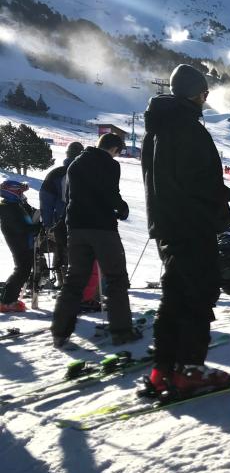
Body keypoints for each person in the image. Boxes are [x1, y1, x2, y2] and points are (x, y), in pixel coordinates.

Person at [141, 64, 230, 394]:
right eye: (205, 94)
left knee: (175, 296)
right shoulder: (189, 129)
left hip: (166, 226)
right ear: (196, 94)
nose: (205, 101)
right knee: (199, 294)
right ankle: (190, 369)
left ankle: (163, 367)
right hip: (193, 224)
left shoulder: (156, 128)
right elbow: (201, 182)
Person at [50, 134, 141, 346]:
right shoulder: (109, 164)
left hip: (76, 228)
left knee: (75, 280)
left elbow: (70, 196)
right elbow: (110, 194)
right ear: (114, 149)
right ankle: (121, 331)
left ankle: (60, 331)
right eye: (118, 151)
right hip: (102, 229)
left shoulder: (76, 164)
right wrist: (122, 207)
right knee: (116, 278)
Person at [39, 141, 84, 287]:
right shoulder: (88, 172)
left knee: (62, 250)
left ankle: (63, 283)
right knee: (84, 253)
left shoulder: (55, 174)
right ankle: (87, 285)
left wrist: (47, 224)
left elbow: (46, 202)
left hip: (60, 220)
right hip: (85, 221)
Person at [0, 180, 40, 312]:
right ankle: (7, 301)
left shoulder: (15, 204)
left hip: (23, 240)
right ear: (12, 191)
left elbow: (29, 214)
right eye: (19, 191)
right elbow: (18, 228)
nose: (21, 194)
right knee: (21, 269)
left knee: (23, 269)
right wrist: (35, 228)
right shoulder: (7, 206)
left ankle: (9, 298)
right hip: (18, 240)